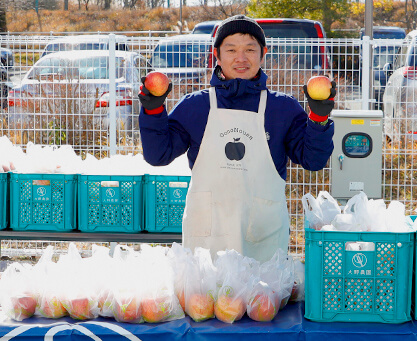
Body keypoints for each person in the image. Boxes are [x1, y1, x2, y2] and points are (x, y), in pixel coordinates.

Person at [139, 15, 335, 262]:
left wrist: (318, 117)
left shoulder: (282, 109)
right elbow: (158, 155)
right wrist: (154, 111)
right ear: (217, 55)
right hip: (206, 243)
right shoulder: (196, 107)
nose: (241, 58)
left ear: (263, 54)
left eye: (249, 50)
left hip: (264, 242)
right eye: (231, 50)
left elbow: (313, 159)